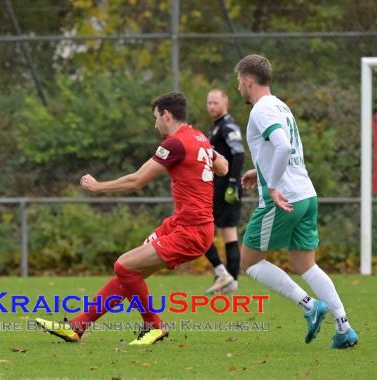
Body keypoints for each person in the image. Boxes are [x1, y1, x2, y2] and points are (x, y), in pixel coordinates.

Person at [34, 92, 228, 345]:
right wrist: (213, 156)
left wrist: (98, 186)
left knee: (124, 266)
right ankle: (77, 327)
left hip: (191, 231)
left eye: (156, 118)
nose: (155, 124)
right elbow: (222, 167)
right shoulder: (199, 137)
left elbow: (137, 180)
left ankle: (154, 326)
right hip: (181, 224)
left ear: (167, 115)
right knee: (129, 274)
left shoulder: (175, 143)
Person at [235, 54, 358, 349]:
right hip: (306, 194)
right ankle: (344, 328)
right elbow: (283, 151)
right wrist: (261, 171)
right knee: (305, 264)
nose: (238, 87)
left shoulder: (261, 109)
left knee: (248, 262)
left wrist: (273, 185)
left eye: (238, 82)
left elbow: (283, 145)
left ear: (248, 81)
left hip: (284, 198)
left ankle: (308, 306)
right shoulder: (280, 105)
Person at [204, 88, 245, 295]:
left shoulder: (228, 126)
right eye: (209, 103)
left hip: (225, 189)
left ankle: (227, 277)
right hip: (216, 188)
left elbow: (239, 154)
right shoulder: (216, 127)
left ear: (225, 103)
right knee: (223, 231)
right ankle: (229, 279)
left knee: (212, 231)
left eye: (215, 103)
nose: (211, 106)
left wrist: (232, 183)